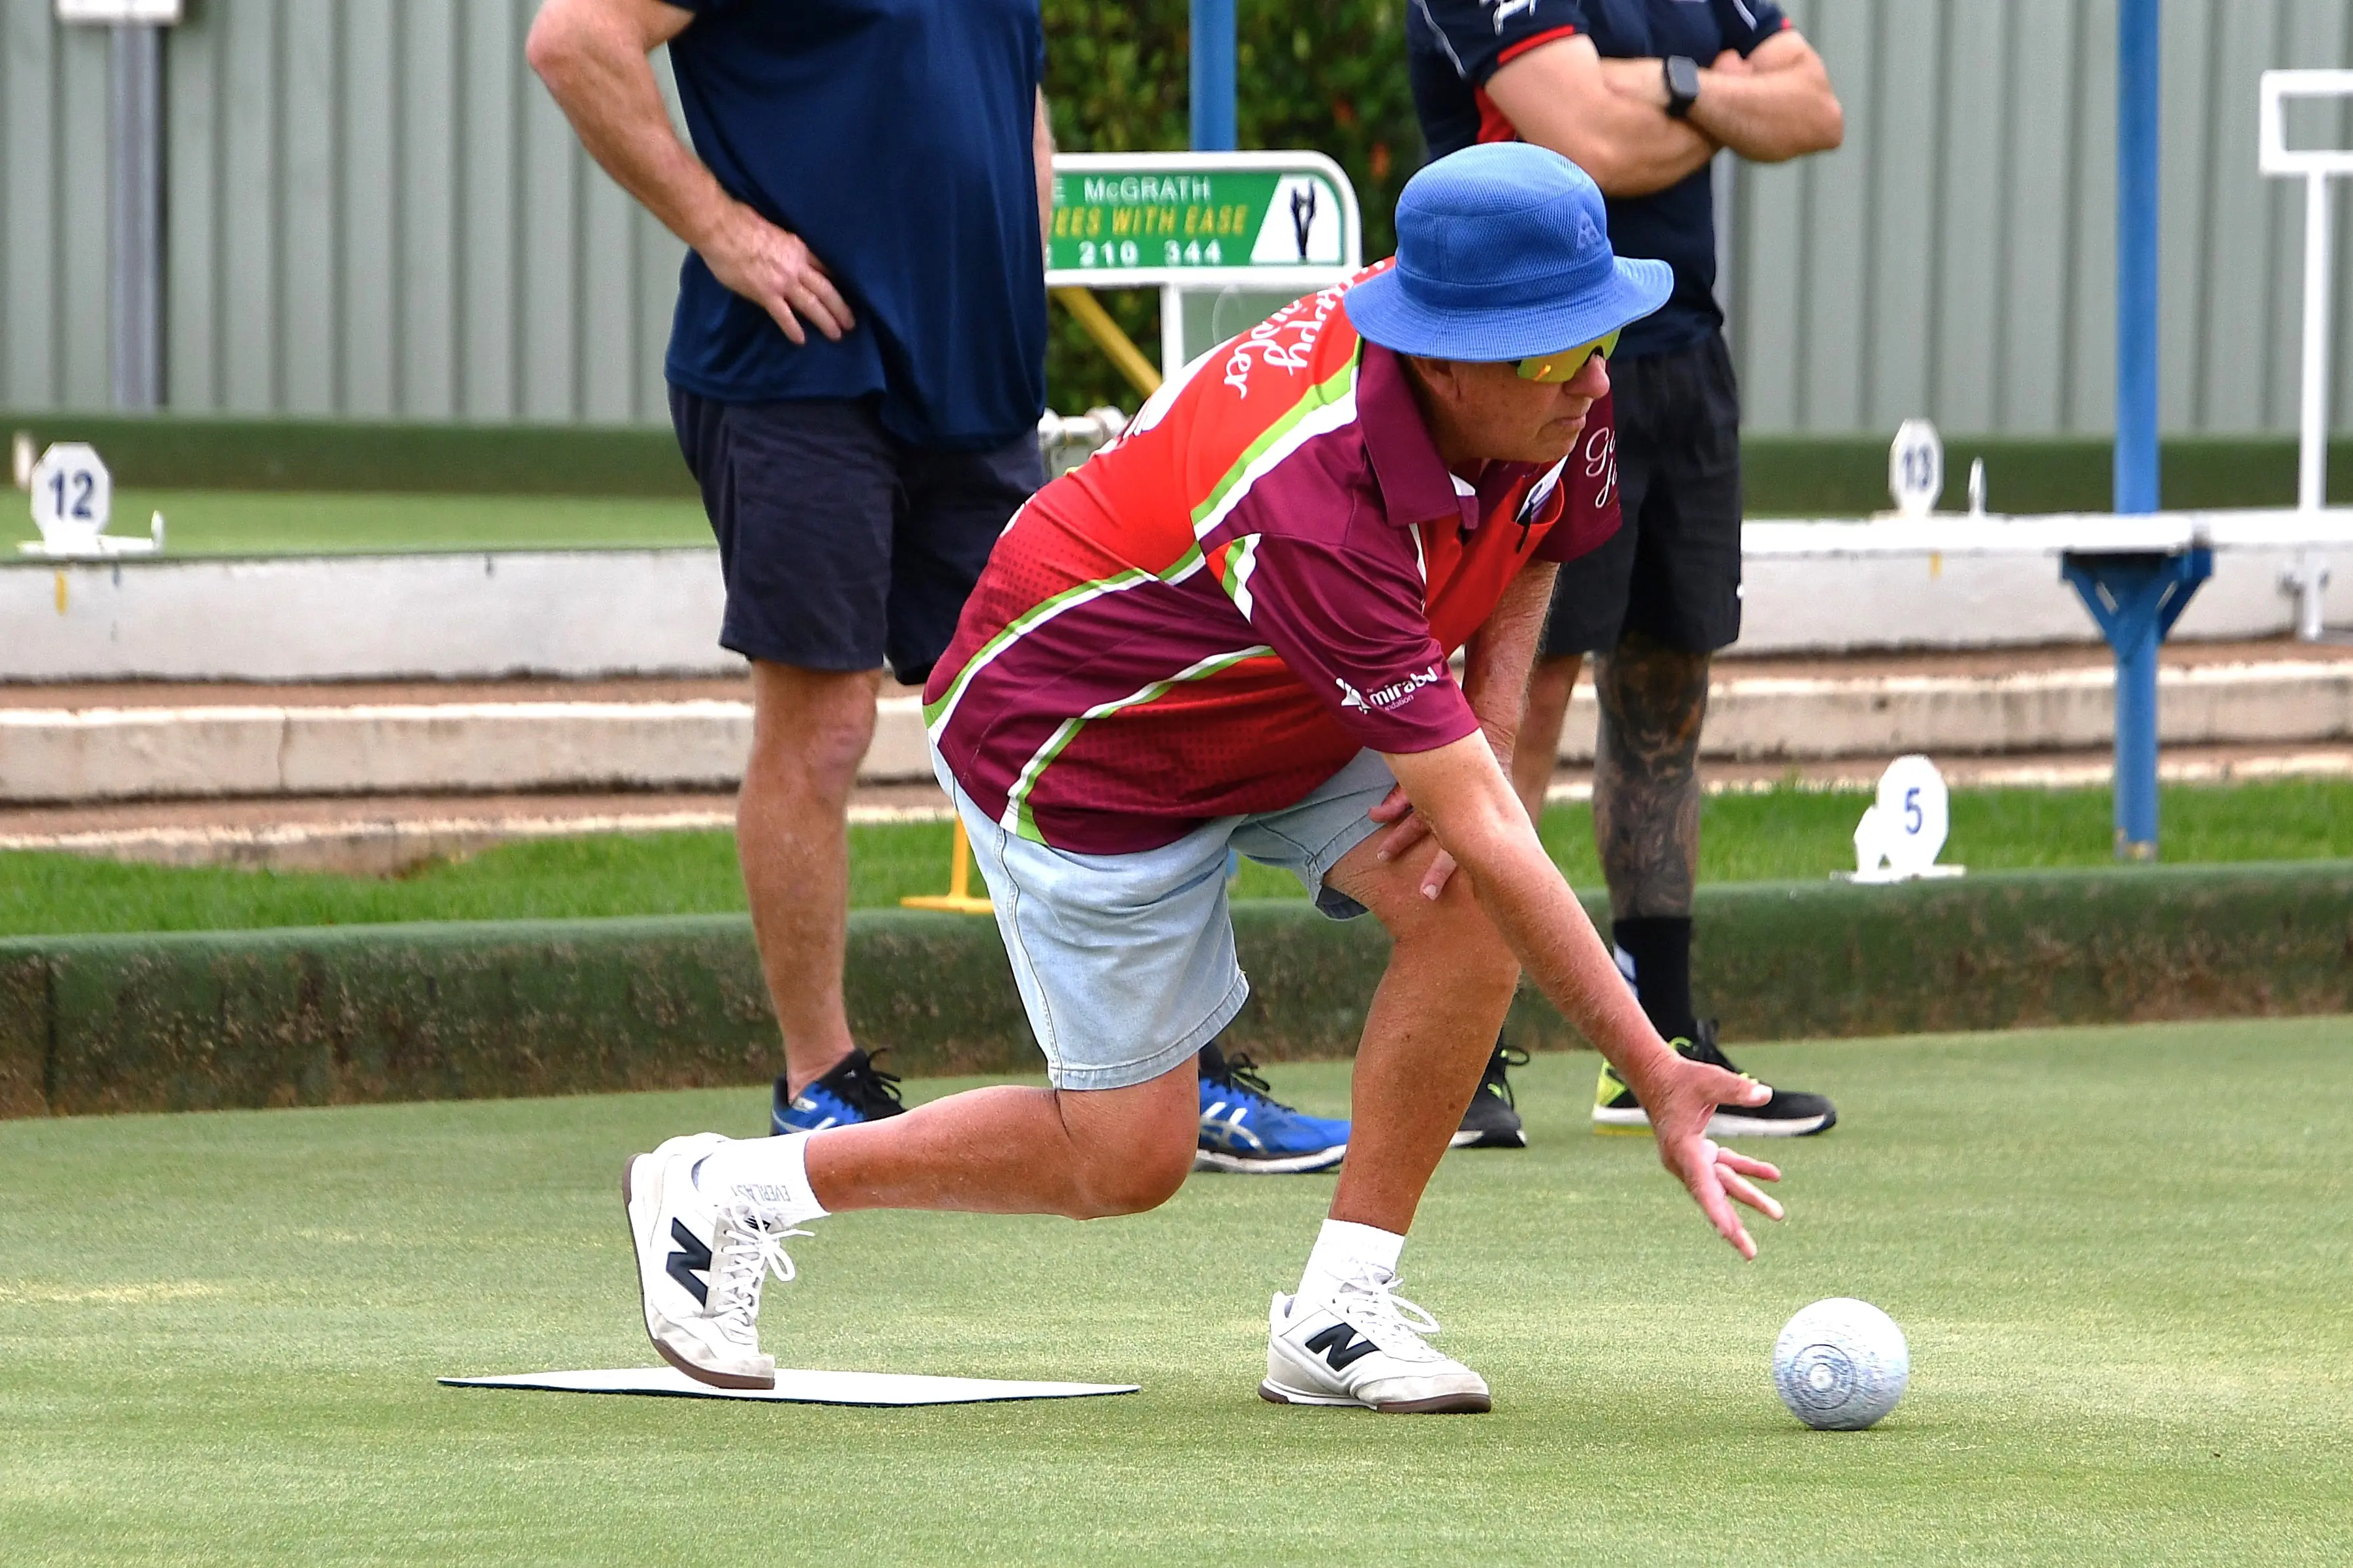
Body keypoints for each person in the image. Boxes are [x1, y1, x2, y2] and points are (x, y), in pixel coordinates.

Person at [619, 146, 1788, 1413]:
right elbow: (1495, 830)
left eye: (1597, 337)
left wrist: (1487, 723)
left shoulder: (1546, 376)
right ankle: (730, 1190)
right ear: (1443, 356)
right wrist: (1650, 1066)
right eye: (1559, 354)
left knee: (1462, 905)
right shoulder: (1306, 490)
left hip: (1290, 687)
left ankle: (1338, 1313)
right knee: (1125, 1158)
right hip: (1079, 739)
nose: (1592, 378)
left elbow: (1527, 539)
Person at [526, 0, 1054, 1137]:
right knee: (822, 727)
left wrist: (1023, 247)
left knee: (1062, 716)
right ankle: (821, 1078)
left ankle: (1162, 1063)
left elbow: (1012, 88)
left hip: (978, 381)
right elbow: (574, 40)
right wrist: (720, 228)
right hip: (801, 369)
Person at [1407, 0, 1845, 1139]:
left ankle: (1664, 1032)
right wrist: (1713, 93)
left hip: (1685, 359)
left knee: (1667, 689)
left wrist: (1664, 86)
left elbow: (1815, 109)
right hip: (1527, 366)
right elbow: (1587, 151)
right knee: (1521, 696)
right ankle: (1466, 1048)